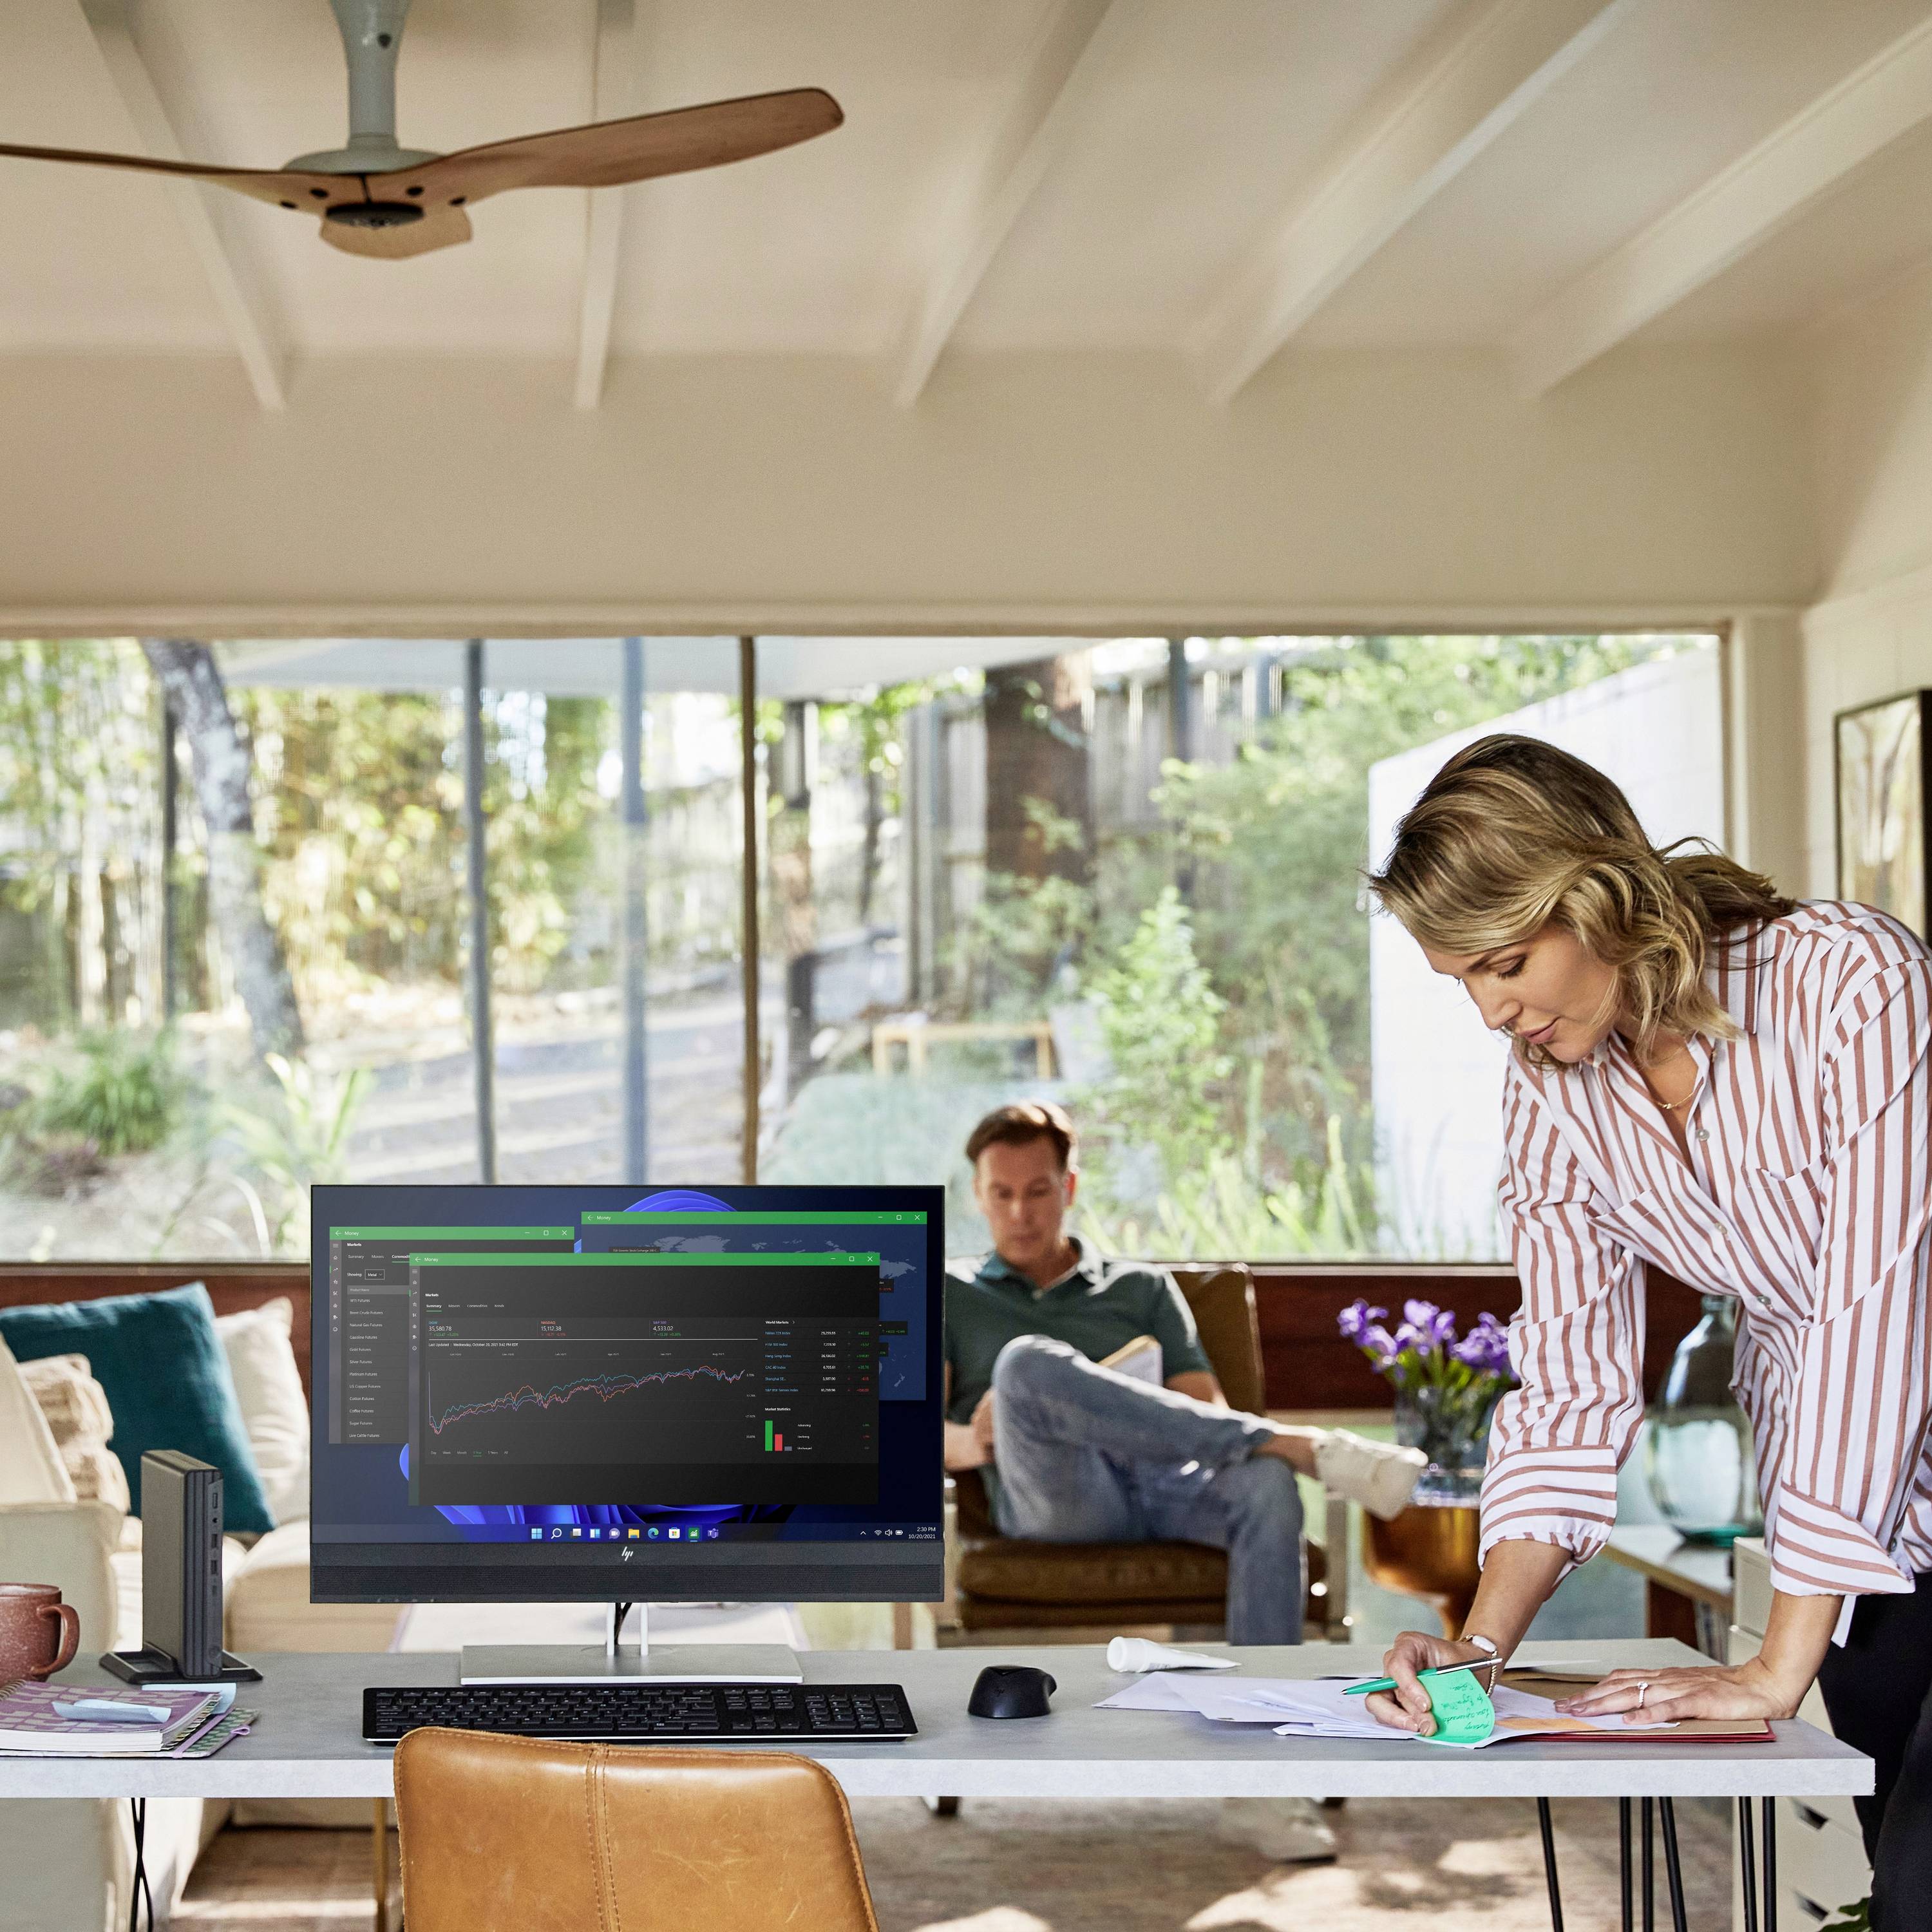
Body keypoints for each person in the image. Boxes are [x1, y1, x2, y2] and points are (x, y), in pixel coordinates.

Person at [1359, 734, 1932, 1929]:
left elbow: (1876, 1317)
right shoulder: (1553, 1088)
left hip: (1873, 1456)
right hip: (1877, 1542)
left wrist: (1777, 1665)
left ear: (1597, 895)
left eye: (1507, 961)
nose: (1489, 1012)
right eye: (1459, 979)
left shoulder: (1852, 985)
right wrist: (1483, 1646)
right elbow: (1569, 1381)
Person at [945, 1100, 1423, 1862]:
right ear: (977, 1194)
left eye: (1036, 1191)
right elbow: (912, 1440)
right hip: (1059, 1498)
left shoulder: (1142, 1289)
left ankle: (1263, 1785)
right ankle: (1308, 1446)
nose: (1019, 1211)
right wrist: (973, 1439)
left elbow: (1207, 1409)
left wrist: (1123, 1399)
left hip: (1167, 1479)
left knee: (1268, 1488)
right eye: (1000, 1193)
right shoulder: (954, 1293)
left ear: (1069, 1187)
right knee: (1025, 1364)